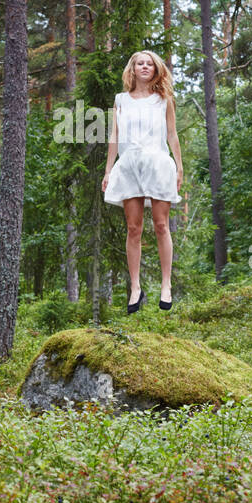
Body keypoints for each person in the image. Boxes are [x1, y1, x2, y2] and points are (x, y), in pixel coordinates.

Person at [101, 50, 183, 312]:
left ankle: (166, 284)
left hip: (157, 164)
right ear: (133, 69)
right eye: (140, 63)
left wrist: (179, 167)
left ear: (156, 69)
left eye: (149, 64)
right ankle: (135, 287)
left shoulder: (163, 100)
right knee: (133, 228)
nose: (145, 67)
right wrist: (108, 171)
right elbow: (114, 136)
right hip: (129, 166)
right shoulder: (121, 100)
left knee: (161, 225)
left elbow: (172, 135)